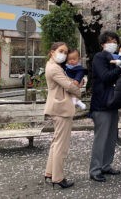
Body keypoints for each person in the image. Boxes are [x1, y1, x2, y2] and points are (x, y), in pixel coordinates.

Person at [44, 42, 81, 189]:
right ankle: (58, 178)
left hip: (58, 107)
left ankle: (49, 173)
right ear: (52, 51)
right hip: (61, 109)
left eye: (66, 52)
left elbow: (68, 83)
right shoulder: (54, 68)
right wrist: (79, 89)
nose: (64, 55)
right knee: (61, 145)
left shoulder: (53, 66)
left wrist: (74, 84)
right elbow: (70, 86)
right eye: (61, 51)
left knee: (56, 143)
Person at [89, 31, 121, 183]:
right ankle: (95, 169)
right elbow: (104, 76)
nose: (113, 43)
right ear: (102, 44)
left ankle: (106, 165)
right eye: (109, 41)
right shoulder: (99, 57)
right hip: (101, 104)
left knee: (111, 137)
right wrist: (120, 68)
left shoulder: (114, 58)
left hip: (112, 103)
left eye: (115, 41)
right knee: (101, 138)